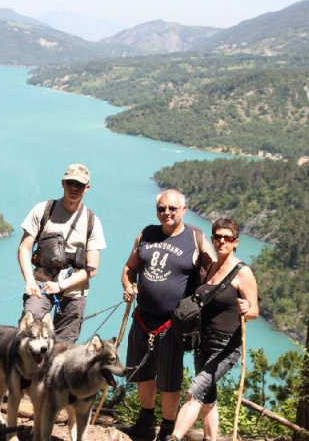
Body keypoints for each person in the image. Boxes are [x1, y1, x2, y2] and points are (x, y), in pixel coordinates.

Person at [119, 189, 215, 441]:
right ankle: (145, 422)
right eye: (162, 208)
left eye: (172, 208)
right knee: (142, 371)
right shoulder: (146, 234)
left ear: (184, 209)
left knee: (170, 377)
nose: (167, 213)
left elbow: (216, 272)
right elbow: (129, 267)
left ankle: (167, 429)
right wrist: (128, 285)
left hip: (173, 323)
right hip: (142, 318)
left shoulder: (196, 238)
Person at [166, 218, 258, 441]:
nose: (222, 241)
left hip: (225, 347)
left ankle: (174, 437)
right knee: (207, 398)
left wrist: (247, 309)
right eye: (218, 237)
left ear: (236, 242)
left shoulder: (243, 272)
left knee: (195, 392)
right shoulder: (211, 269)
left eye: (228, 238)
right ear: (213, 239)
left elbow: (255, 310)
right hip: (203, 342)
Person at [17, 163, 106, 344]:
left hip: (74, 293)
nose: (74, 188)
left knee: (63, 348)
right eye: (70, 182)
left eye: (79, 184)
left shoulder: (92, 221)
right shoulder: (43, 210)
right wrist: (29, 281)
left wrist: (61, 285)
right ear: (62, 183)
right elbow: (24, 248)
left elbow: (92, 268)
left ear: (87, 188)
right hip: (41, 285)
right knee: (29, 329)